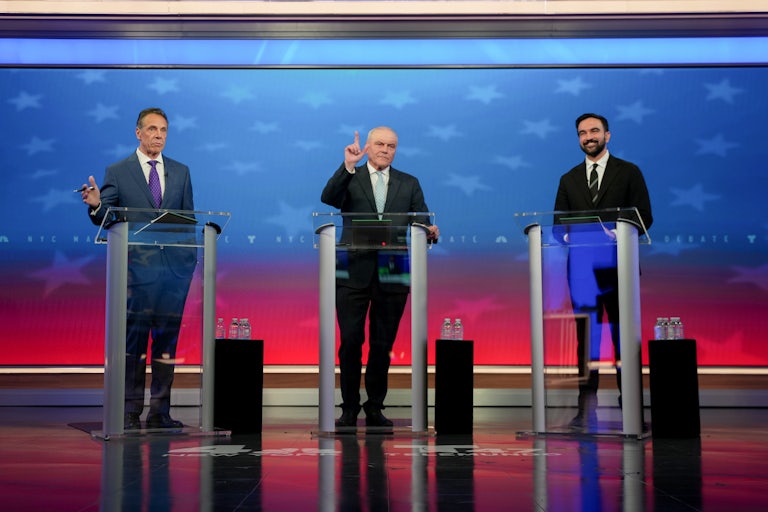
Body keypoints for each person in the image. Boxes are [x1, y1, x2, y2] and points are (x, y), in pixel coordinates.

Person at [80, 107, 197, 430]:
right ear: (138, 132)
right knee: (135, 344)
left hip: (174, 273)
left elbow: (188, 220)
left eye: (163, 130)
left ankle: (160, 412)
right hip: (136, 274)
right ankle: (130, 411)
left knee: (166, 345)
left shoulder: (181, 171)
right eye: (152, 130)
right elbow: (108, 216)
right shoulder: (118, 171)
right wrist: (96, 207)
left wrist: (188, 262)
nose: (158, 136)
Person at [321, 127, 439, 428]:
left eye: (391, 145)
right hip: (352, 270)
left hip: (393, 270)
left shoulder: (409, 183)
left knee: (382, 343)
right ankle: (349, 407)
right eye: (380, 144)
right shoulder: (352, 177)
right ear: (368, 147)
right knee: (350, 341)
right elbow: (328, 198)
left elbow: (421, 219)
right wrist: (348, 165)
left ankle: (374, 406)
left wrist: (430, 230)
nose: (385, 149)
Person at [553, 113, 653, 429]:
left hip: (617, 267)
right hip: (582, 272)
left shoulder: (628, 172)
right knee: (587, 342)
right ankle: (585, 413)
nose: (588, 137)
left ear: (607, 135)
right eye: (582, 133)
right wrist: (572, 235)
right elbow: (558, 226)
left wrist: (615, 232)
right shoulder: (568, 178)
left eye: (594, 131)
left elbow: (644, 217)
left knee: (624, 340)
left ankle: (632, 411)